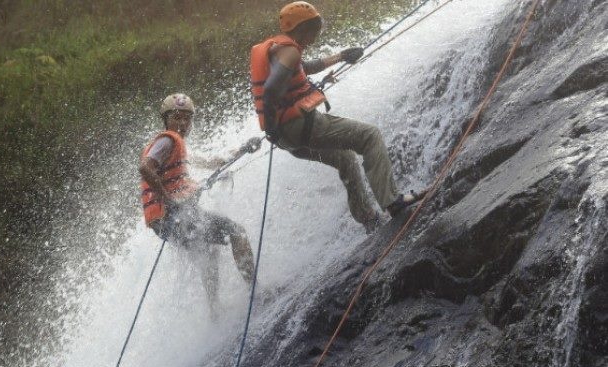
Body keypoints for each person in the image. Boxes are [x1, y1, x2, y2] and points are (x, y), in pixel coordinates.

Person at [250, 1, 424, 233]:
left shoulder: (279, 49)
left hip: (286, 137)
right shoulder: (290, 51)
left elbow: (304, 67)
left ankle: (369, 218)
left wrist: (341, 56)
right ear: (304, 27)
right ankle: (392, 202)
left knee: (345, 158)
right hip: (300, 126)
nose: (317, 35)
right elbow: (271, 90)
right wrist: (270, 127)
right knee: (370, 136)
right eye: (316, 29)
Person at [139, 93, 261, 304]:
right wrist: (169, 200)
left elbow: (210, 161)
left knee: (208, 251)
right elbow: (145, 168)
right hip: (173, 216)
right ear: (166, 120)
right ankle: (255, 293)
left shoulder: (174, 147)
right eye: (177, 117)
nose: (183, 123)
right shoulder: (167, 141)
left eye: (187, 118)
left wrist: (242, 150)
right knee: (236, 231)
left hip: (166, 221)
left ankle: (214, 312)